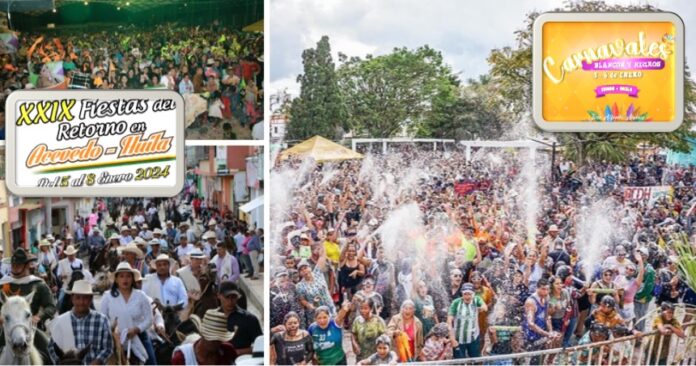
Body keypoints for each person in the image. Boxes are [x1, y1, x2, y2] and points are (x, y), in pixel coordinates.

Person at [0, 248, 55, 363]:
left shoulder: (38, 285)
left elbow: (51, 306)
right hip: (5, 327)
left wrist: (39, 317)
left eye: (18, 265)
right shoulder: (3, 284)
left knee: (50, 351)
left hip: (30, 327)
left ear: (27, 266)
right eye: (13, 264)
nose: (15, 267)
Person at [100, 262, 155, 365]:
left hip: (139, 336)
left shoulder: (141, 296)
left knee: (151, 362)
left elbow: (149, 319)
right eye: (121, 276)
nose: (125, 279)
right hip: (115, 339)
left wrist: (136, 329)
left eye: (128, 276)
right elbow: (102, 318)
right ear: (116, 279)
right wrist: (112, 330)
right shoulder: (107, 296)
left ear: (132, 279)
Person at [48, 280, 114, 365]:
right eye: (78, 298)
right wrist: (61, 363)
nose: (81, 302)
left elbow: (108, 348)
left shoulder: (101, 320)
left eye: (85, 298)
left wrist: (96, 362)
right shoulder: (60, 321)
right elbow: (51, 348)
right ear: (72, 298)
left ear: (90, 299)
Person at [171, 309, 237, 365]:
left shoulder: (227, 351)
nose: (216, 343)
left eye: (220, 339)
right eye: (212, 338)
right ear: (203, 334)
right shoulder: (182, 358)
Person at [218, 281, 262, 355]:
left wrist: (237, 352)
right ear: (219, 296)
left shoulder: (249, 319)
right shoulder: (212, 316)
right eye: (227, 297)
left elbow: (261, 346)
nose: (230, 301)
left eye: (233, 297)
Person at [448, 283, 486, 359]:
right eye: (465, 294)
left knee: (475, 360)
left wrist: (480, 308)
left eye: (470, 294)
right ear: (462, 294)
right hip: (458, 339)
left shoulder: (476, 299)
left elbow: (485, 307)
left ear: (473, 294)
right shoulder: (456, 302)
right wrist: (452, 339)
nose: (467, 296)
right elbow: (449, 321)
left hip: (473, 338)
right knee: (459, 362)